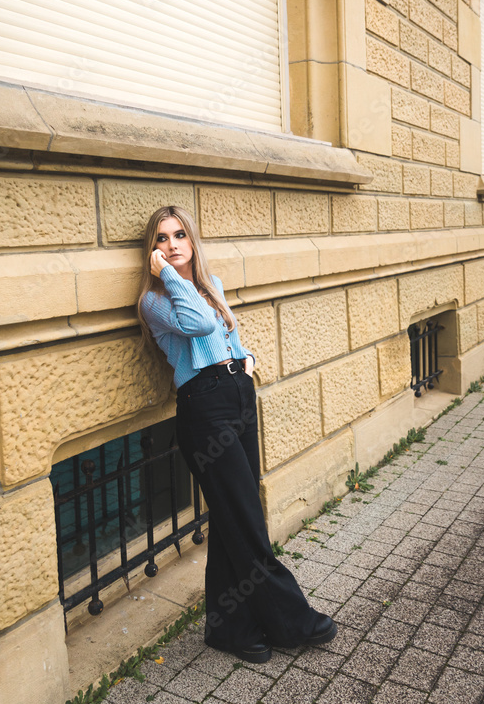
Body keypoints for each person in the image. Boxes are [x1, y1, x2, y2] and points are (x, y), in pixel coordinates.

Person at [137, 205, 337, 663]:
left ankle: (229, 628)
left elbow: (229, 333)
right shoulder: (157, 299)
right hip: (203, 407)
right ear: (152, 253)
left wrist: (246, 362)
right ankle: (292, 620)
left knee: (235, 517)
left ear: (193, 240)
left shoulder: (210, 286)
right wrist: (169, 275)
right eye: (161, 239)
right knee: (245, 518)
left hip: (236, 394)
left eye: (180, 235)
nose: (172, 245)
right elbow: (201, 325)